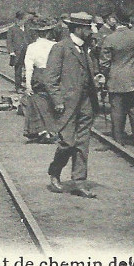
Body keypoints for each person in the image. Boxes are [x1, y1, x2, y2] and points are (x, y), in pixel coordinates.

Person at [45, 12, 104, 198]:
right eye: (87, 28)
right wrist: (57, 101)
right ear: (78, 29)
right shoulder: (61, 48)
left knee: (82, 144)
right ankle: (55, 172)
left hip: (86, 102)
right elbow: (50, 79)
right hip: (67, 104)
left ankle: (79, 181)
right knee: (67, 143)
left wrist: (96, 79)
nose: (91, 32)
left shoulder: (87, 48)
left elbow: (87, 72)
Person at [98, 13, 134, 147]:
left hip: (116, 78)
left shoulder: (109, 39)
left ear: (116, 21)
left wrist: (104, 76)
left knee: (117, 111)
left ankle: (118, 141)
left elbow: (104, 63)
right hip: (133, 78)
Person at [22, 17, 58, 143]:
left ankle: (41, 130)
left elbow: (28, 68)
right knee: (52, 102)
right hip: (53, 75)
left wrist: (28, 85)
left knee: (38, 101)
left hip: (38, 76)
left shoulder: (31, 47)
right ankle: (52, 130)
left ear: (37, 33)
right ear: (49, 32)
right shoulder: (55, 45)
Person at [7, 11, 28, 91]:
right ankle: (18, 87)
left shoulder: (27, 28)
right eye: (22, 20)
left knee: (29, 69)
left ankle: (29, 86)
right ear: (18, 20)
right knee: (18, 70)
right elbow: (9, 41)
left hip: (27, 52)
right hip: (17, 53)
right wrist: (11, 51)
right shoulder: (12, 29)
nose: (23, 22)